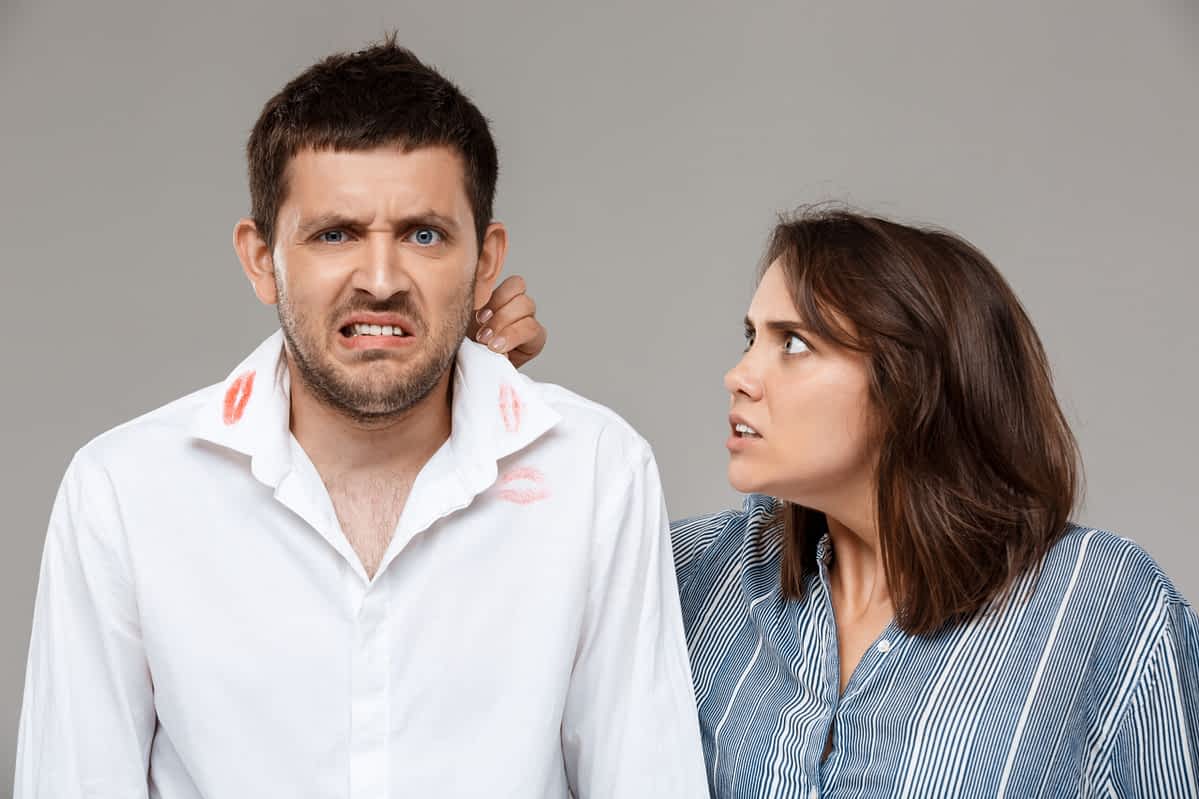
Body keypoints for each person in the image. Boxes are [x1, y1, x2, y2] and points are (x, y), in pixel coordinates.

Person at [14, 38, 708, 798]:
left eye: (423, 234)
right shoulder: (124, 493)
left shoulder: (594, 472)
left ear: (485, 261)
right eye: (335, 234)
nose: (380, 281)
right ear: (260, 259)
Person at [490, 208, 1199, 796]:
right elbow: (477, 640)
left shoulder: (1105, 605)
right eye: (752, 337)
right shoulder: (686, 574)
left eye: (794, 344)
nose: (738, 375)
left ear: (912, 383)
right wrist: (472, 399)